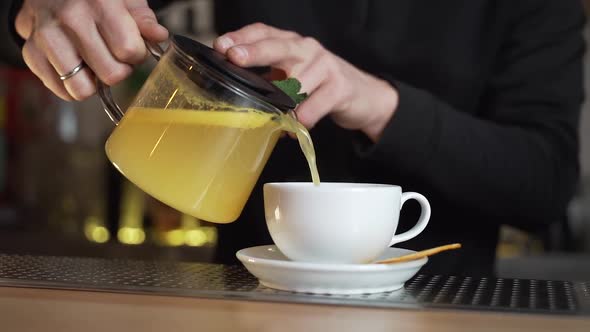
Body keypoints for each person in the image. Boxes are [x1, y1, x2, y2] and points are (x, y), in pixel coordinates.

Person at [8, 0, 586, 276]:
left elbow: (545, 181)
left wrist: (377, 103)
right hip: (237, 295)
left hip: (448, 307)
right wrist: (39, 11)